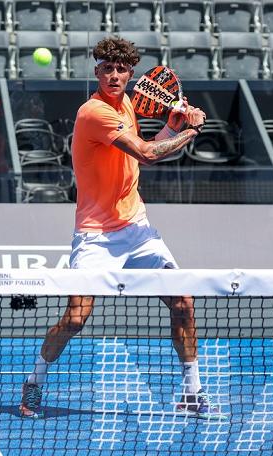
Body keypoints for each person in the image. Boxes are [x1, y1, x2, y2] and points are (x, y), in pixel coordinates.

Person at [19, 37, 225, 421]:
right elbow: (147, 153)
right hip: (95, 234)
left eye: (121, 70)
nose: (114, 76)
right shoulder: (93, 112)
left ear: (130, 74)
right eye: (107, 69)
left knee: (183, 302)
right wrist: (191, 131)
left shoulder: (128, 103)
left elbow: (146, 155)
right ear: (96, 71)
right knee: (77, 318)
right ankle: (35, 379)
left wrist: (171, 127)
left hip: (137, 229)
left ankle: (192, 393)